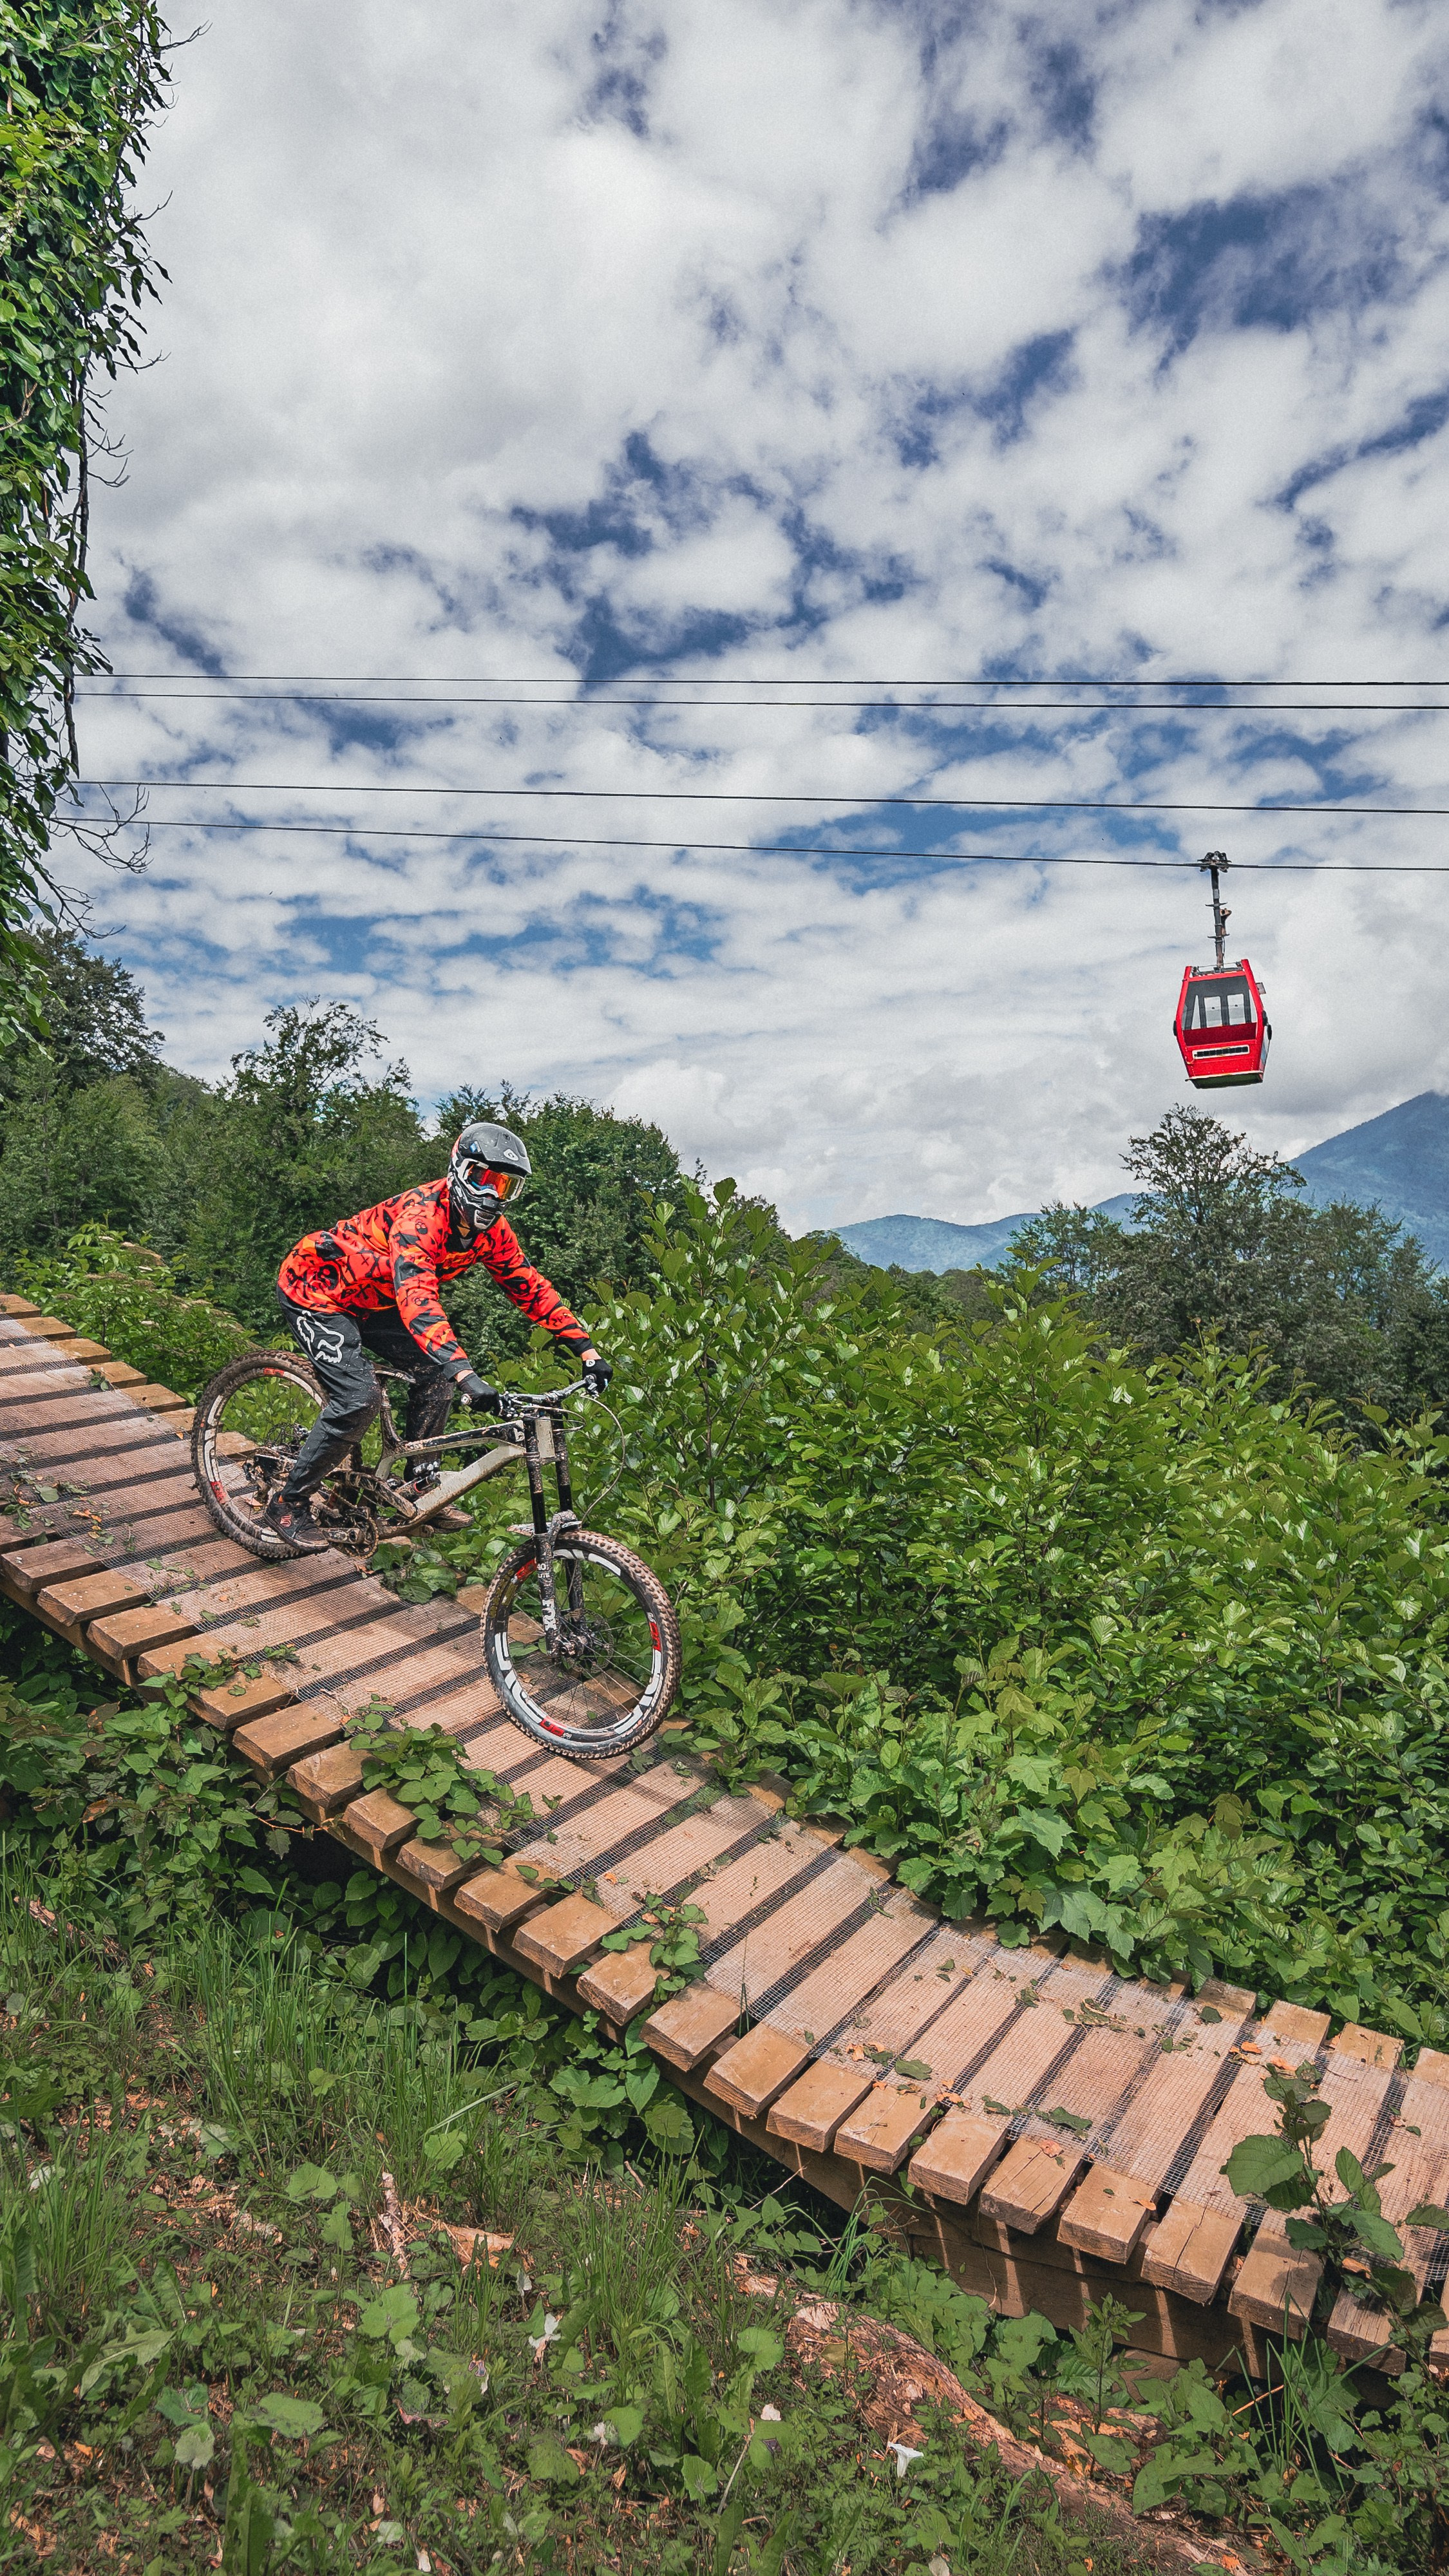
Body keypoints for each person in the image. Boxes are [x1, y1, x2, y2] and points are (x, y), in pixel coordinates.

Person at [265, 1119, 612, 1551]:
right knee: (359, 1399)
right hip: (317, 1289)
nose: (490, 1195)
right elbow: (418, 1300)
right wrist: (466, 1373)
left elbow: (529, 1286)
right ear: (457, 1171)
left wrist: (586, 1348)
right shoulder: (421, 1219)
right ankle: (287, 1501)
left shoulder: (491, 1234)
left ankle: (418, 1484)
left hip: (376, 1299)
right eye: (481, 1179)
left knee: (436, 1378)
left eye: (504, 1187)